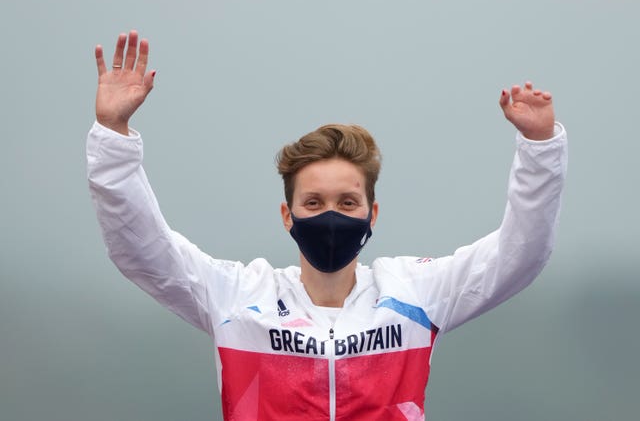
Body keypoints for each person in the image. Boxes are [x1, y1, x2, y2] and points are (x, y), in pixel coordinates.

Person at [87, 30, 567, 421]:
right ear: (287, 215)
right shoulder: (237, 297)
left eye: (348, 200)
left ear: (372, 214)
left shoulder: (414, 293)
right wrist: (113, 137)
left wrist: (541, 148)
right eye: (313, 202)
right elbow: (142, 250)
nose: (331, 215)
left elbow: (520, 255)